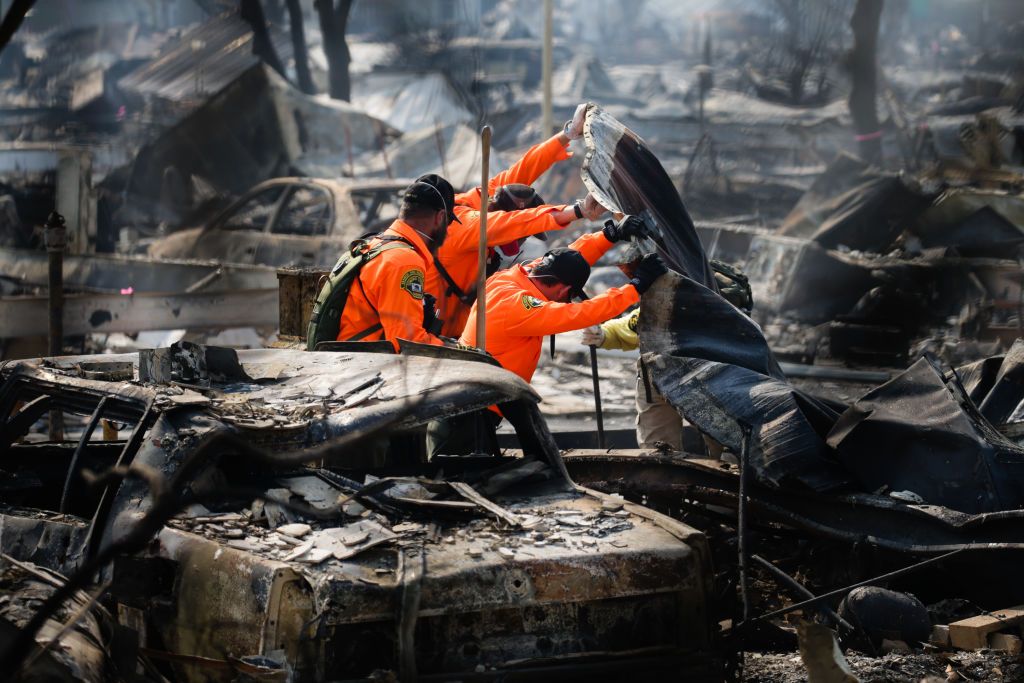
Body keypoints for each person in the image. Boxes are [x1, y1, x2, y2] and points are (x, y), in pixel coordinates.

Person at [429, 105, 599, 338]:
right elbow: (518, 222)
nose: (521, 242)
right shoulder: (465, 224)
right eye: (522, 236)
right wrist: (578, 210)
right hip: (425, 330)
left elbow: (523, 171)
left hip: (453, 328)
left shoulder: (489, 198)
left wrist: (568, 134)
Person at [335, 174, 456, 350]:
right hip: (363, 364)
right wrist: (455, 349)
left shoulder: (378, 244)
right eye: (449, 221)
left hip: (353, 357)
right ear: (440, 217)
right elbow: (408, 342)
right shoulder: (404, 262)